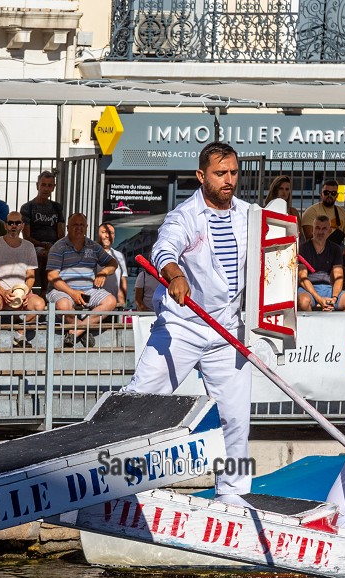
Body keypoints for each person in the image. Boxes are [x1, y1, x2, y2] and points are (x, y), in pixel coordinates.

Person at [124, 141, 253, 506]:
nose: (228, 180)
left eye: (232, 173)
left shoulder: (249, 215)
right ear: (201, 176)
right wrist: (174, 273)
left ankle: (233, 495)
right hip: (183, 325)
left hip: (227, 330)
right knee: (141, 401)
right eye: (220, 174)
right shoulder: (184, 216)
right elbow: (163, 248)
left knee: (235, 418)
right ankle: (120, 482)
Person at [46, 212, 118, 346]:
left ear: (86, 227)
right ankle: (84, 330)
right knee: (63, 305)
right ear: (67, 227)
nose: (78, 228)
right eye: (75, 224)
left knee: (111, 301)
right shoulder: (58, 247)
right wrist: (72, 292)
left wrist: (104, 272)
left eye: (81, 225)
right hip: (63, 290)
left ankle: (76, 331)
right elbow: (52, 276)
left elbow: (113, 263)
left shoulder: (94, 247)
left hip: (88, 290)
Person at [0, 211, 45, 347]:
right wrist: (3, 292)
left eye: (17, 223)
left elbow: (31, 276)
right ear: (5, 225)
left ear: (22, 225)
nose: (14, 226)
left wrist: (25, 292)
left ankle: (20, 334)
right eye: (10, 223)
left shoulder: (29, 247)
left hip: (21, 292)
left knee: (40, 305)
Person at [297, 215, 345, 311]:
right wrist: (319, 299)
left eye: (324, 228)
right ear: (312, 230)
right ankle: (312, 325)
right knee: (303, 302)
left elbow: (338, 277)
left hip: (328, 288)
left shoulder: (335, 249)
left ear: (329, 231)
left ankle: (335, 324)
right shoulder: (303, 248)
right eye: (317, 228)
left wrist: (334, 299)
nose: (320, 232)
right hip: (308, 289)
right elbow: (302, 278)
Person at [300, 178, 345, 259]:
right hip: (317, 250)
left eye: (333, 193)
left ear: (337, 195)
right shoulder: (311, 211)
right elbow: (309, 238)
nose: (329, 195)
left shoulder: (344, 214)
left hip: (339, 249)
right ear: (321, 194)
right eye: (326, 192)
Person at [21, 170, 64, 269]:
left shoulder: (57, 207)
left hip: (54, 246)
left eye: (49, 185)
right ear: (37, 185)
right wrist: (43, 245)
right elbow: (26, 236)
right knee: (45, 255)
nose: (46, 189)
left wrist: (56, 247)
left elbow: (60, 233)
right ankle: (46, 285)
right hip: (34, 247)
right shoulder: (27, 207)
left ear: (53, 187)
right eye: (43, 185)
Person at [97, 222, 128, 308]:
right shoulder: (91, 253)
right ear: (97, 234)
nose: (107, 235)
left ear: (114, 237)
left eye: (111, 233)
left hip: (114, 306)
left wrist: (122, 301)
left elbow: (123, 279)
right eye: (104, 232)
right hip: (94, 305)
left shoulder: (119, 256)